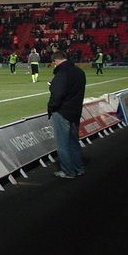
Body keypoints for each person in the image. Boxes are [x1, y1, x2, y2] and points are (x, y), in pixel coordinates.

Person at [47, 51, 86, 179]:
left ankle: (68, 171)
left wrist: (51, 107)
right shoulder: (79, 72)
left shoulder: (61, 74)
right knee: (74, 142)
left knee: (62, 144)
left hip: (62, 112)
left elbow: (57, 95)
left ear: (55, 61)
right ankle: (78, 168)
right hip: (75, 111)